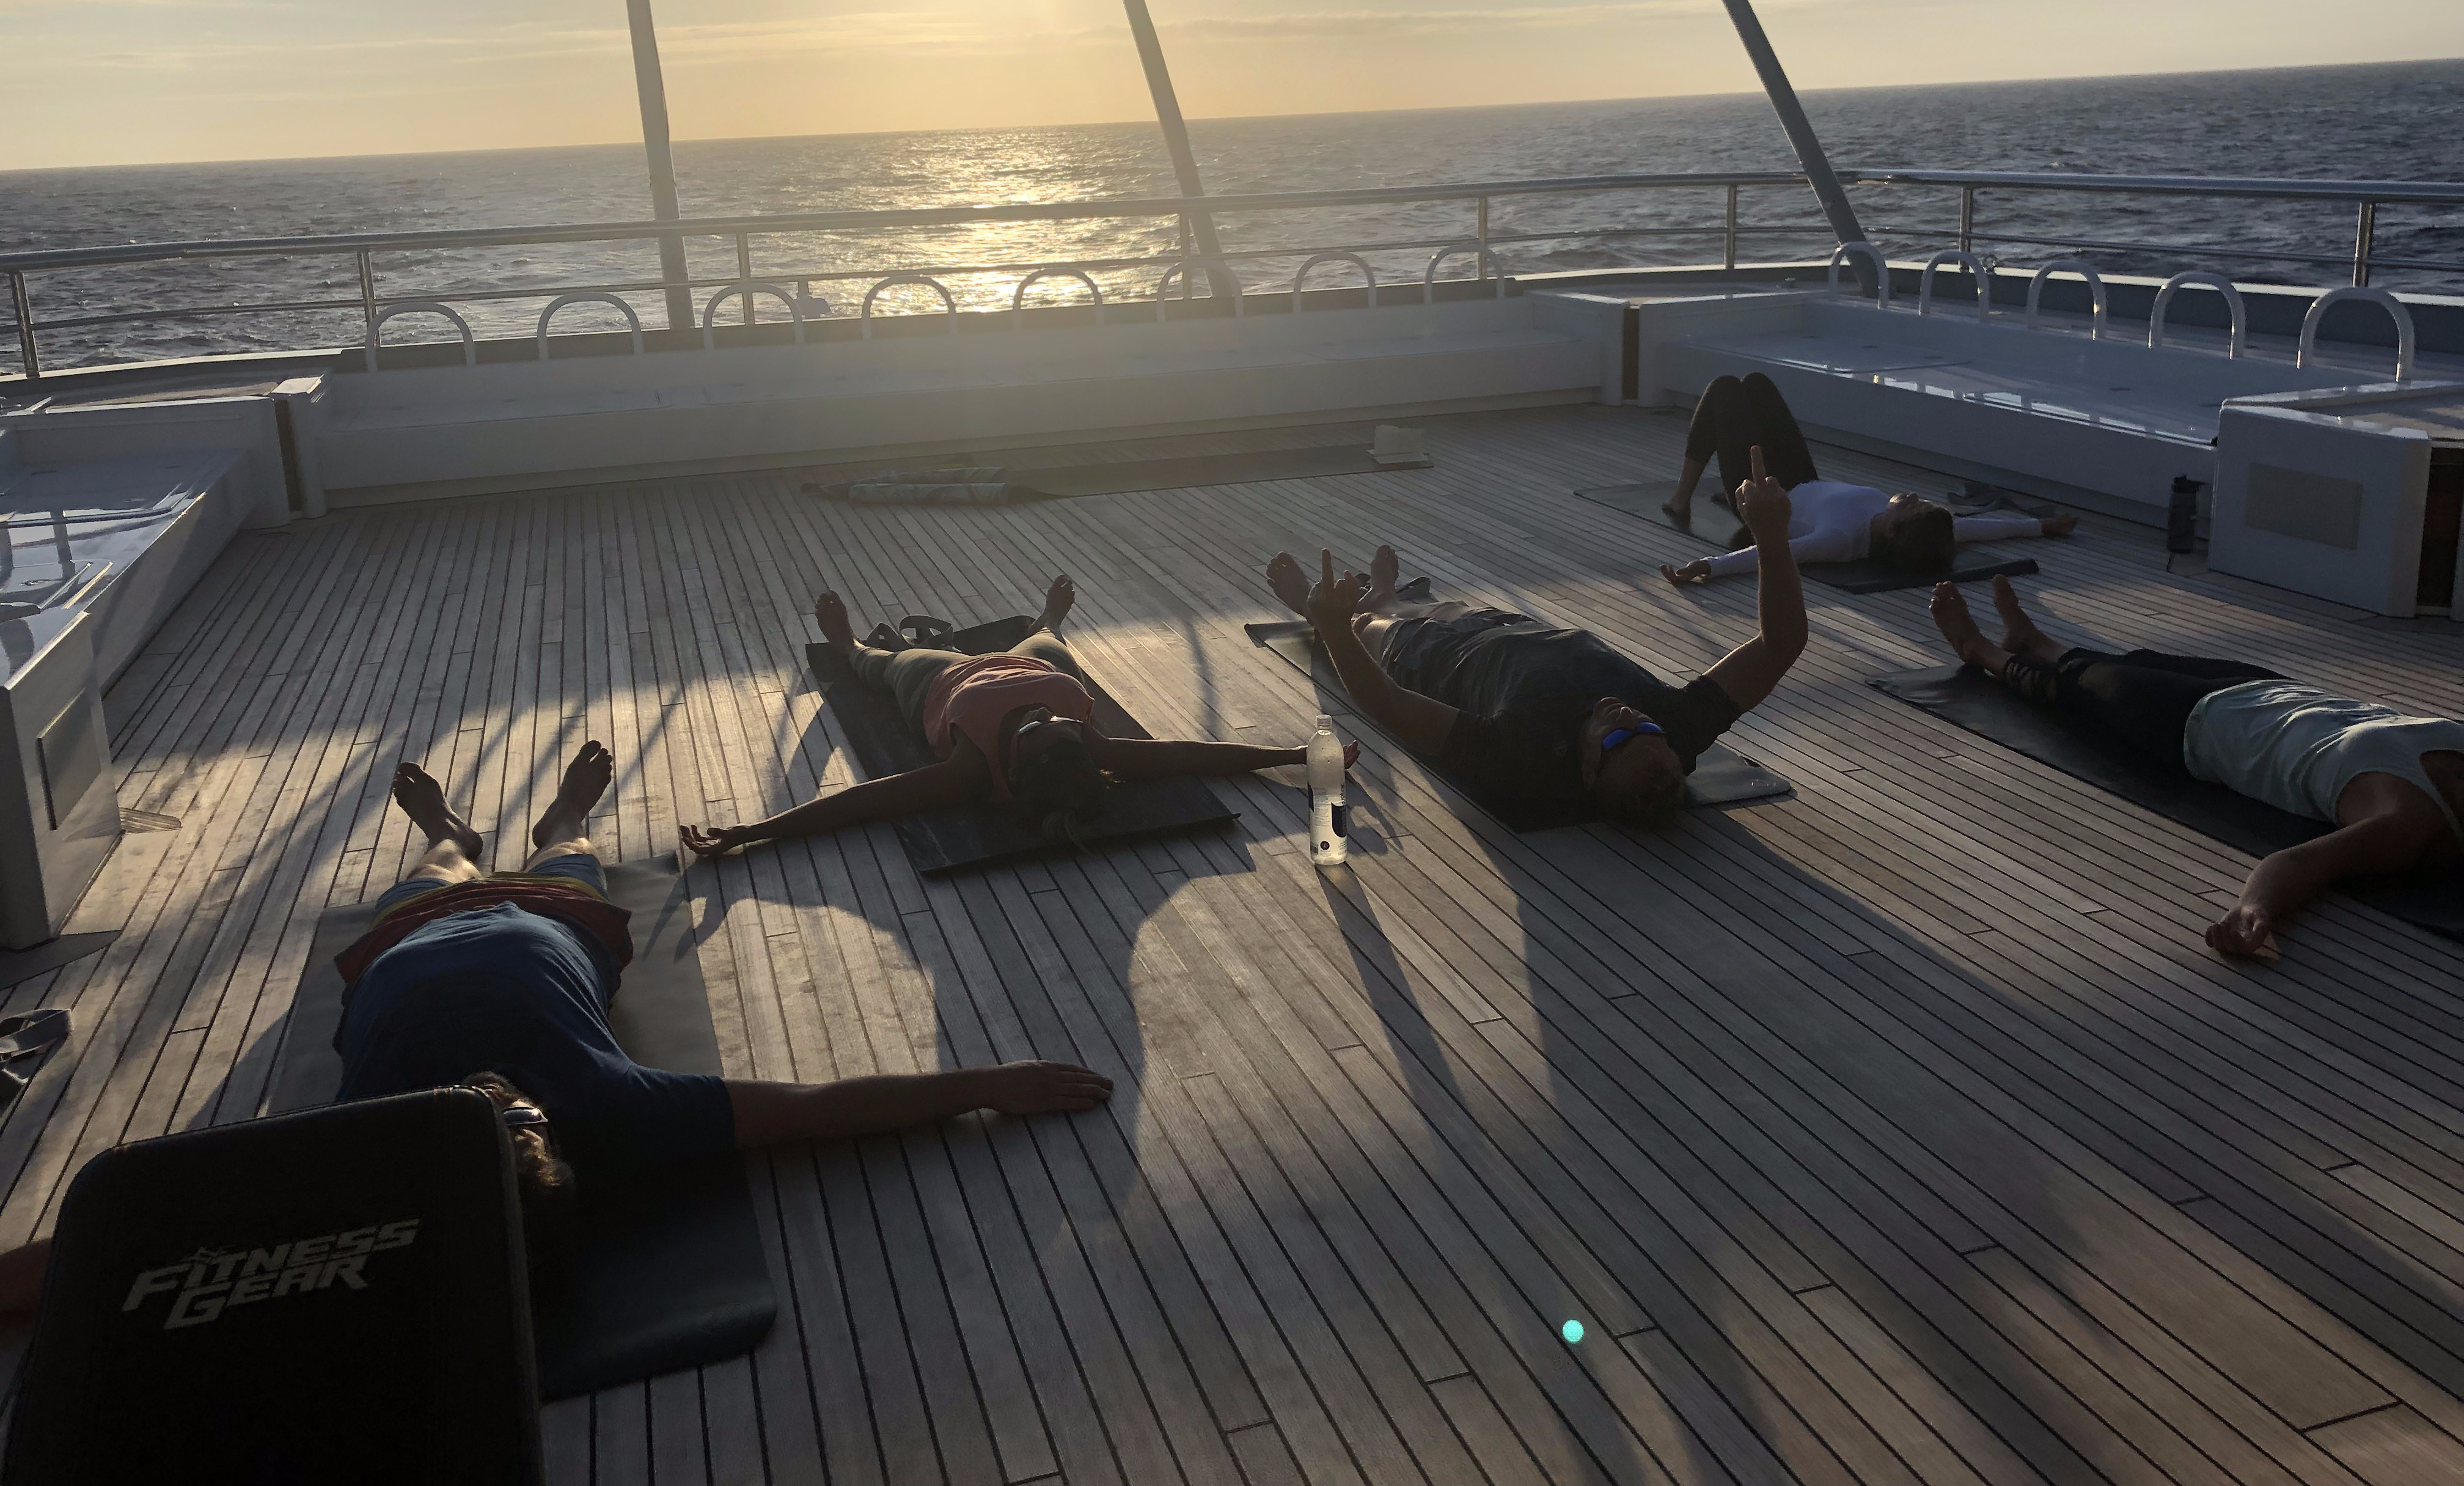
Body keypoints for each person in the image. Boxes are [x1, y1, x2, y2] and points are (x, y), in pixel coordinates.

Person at [0, 740, 1115, 1317]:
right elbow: (821, 1110)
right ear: (548, 1136)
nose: (497, 1092)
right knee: (571, 854)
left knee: (437, 866)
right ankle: (562, 820)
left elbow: (116, 1242)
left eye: (483, 1110)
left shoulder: (362, 1155)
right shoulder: (616, 1112)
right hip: (553, 925)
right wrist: (984, 1078)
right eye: (517, 1112)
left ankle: (448, 828)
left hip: (405, 941)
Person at [1265, 446, 1808, 830]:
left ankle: (1329, 606)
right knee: (1439, 605)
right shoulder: (1681, 726)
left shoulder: (1518, 757)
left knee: (1371, 625)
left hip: (1432, 659)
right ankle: (1381, 590)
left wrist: (1335, 629)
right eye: (1647, 726)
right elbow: (1781, 644)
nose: (1626, 716)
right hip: (1513, 631)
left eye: (1618, 738)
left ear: (1588, 774)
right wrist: (1770, 535)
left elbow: (1388, 704)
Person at [1932, 575, 2464, 958]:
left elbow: (2300, 864)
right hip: (2272, 690)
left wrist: (2252, 911)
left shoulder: (2407, 823)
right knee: (2136, 660)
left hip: (2193, 725)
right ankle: (2036, 641)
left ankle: (1979, 649)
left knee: (2077, 692)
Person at [680, 573, 1356, 860]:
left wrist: (751, 830)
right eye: (1061, 727)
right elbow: (1194, 754)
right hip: (1034, 662)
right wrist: (1294, 756)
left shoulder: (967, 769)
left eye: (1038, 730)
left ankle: (849, 645)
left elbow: (860, 803)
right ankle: (1048, 621)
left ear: (1017, 763)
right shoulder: (1090, 744)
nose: (1048, 721)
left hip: (941, 680)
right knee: (1052, 651)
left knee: (880, 669)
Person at [1659, 370, 2075, 585]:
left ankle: (1681, 498)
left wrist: (1708, 567)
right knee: (1757, 385)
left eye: (1912, 506)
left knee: (1726, 389)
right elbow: (1985, 530)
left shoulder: (1840, 540)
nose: (1913, 496)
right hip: (1805, 477)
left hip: (1763, 492)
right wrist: (2041, 526)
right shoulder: (1923, 530)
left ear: (1894, 529)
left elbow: (1767, 557)